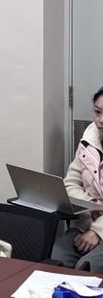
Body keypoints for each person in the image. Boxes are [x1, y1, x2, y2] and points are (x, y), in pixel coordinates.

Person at [51, 86, 103, 272]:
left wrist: (97, 231)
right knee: (55, 259)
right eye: (97, 112)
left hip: (97, 229)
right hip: (84, 224)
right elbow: (70, 184)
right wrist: (92, 205)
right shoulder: (89, 140)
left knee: (87, 267)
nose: (100, 120)